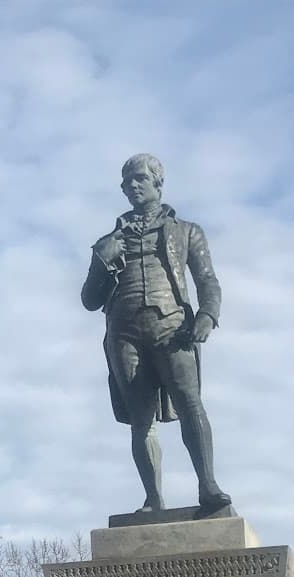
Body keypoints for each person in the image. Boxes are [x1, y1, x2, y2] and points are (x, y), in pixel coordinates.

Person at [81, 153, 232, 516]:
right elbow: (89, 299)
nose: (132, 186)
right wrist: (104, 260)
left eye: (139, 179)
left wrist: (208, 316)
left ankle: (208, 484)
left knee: (190, 402)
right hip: (124, 331)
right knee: (140, 417)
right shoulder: (107, 241)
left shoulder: (187, 231)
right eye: (126, 182)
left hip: (172, 326)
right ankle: (153, 498)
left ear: (157, 183)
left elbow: (207, 280)